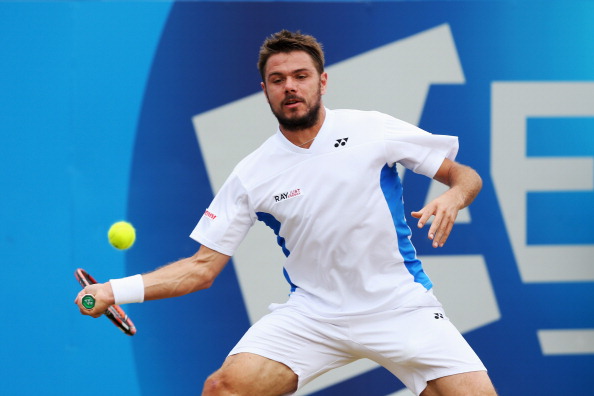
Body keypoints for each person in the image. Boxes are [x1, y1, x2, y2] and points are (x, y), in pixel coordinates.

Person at [75, 30, 497, 396]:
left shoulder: (373, 128)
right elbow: (201, 268)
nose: (290, 87)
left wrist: (454, 197)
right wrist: (113, 290)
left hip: (401, 307)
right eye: (277, 80)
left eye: (301, 76)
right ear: (265, 89)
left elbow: (465, 175)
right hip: (314, 316)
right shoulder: (251, 174)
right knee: (222, 389)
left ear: (323, 81)